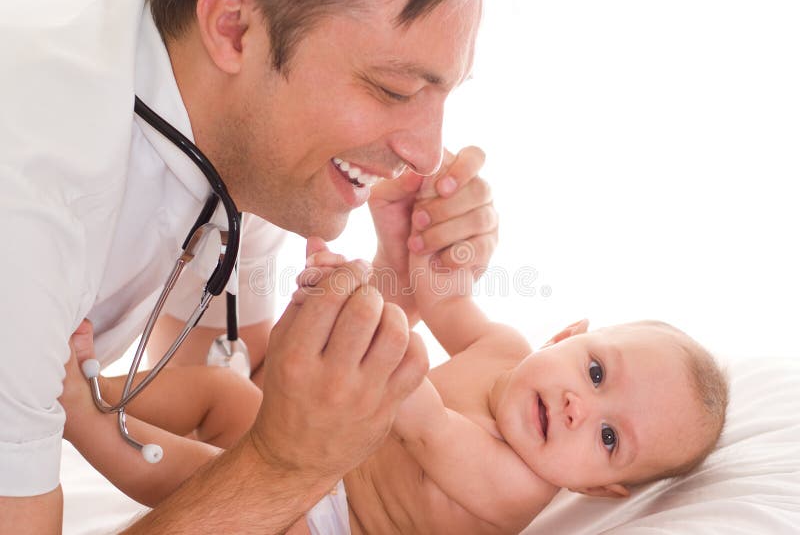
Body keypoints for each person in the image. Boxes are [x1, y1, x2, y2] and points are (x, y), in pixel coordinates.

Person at [0, 0, 497, 532]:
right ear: (233, 29)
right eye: (393, 89)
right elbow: (270, 450)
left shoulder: (233, 144)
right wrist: (287, 467)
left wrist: (393, 288)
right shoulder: (28, 207)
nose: (427, 154)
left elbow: (242, 395)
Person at [61, 218, 729, 534]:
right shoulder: (504, 346)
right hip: (305, 445)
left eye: (610, 438)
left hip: (325, 518)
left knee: (205, 478)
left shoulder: (518, 484)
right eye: (594, 372)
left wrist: (354, 305)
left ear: (604, 490)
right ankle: (101, 389)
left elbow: (420, 417)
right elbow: (439, 295)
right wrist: (425, 236)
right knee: (223, 394)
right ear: (567, 336)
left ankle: (83, 423)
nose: (582, 407)